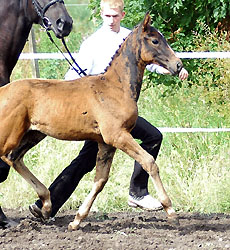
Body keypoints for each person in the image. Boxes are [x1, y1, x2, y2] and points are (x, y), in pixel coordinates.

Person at [29, 0, 189, 218]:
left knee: (152, 136)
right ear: (101, 15)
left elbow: (148, 60)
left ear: (122, 15)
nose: (112, 20)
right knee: (85, 161)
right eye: (108, 16)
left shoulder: (130, 37)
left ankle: (137, 191)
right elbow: (71, 79)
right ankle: (47, 205)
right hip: (95, 111)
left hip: (120, 111)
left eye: (115, 15)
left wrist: (172, 69)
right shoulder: (92, 43)